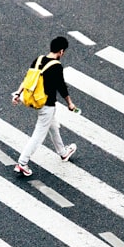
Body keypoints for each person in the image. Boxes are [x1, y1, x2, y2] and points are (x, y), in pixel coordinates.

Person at [11, 36, 78, 177]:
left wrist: (18, 93)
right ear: (61, 51)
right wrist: (70, 103)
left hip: (33, 99)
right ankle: (22, 163)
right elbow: (62, 87)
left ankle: (63, 153)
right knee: (38, 135)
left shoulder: (39, 59)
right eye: (63, 52)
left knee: (53, 126)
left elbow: (27, 79)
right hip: (46, 105)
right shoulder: (57, 66)